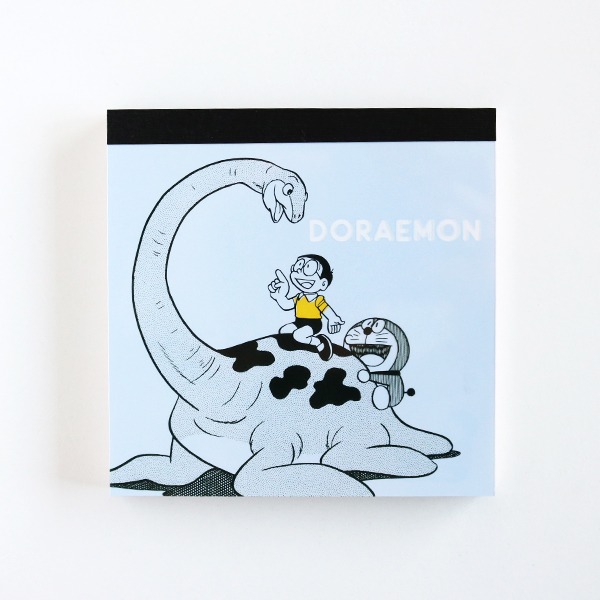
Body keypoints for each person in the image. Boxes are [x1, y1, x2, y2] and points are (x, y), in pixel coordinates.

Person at [268, 254, 344, 360]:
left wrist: (333, 319)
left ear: (323, 284)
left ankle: (320, 343)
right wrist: (279, 297)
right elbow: (287, 305)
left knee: (299, 335)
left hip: (313, 324)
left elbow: (326, 310)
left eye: (309, 268)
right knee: (284, 331)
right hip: (298, 322)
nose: (300, 272)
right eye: (298, 266)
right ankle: (299, 348)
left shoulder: (317, 299)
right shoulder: (299, 297)